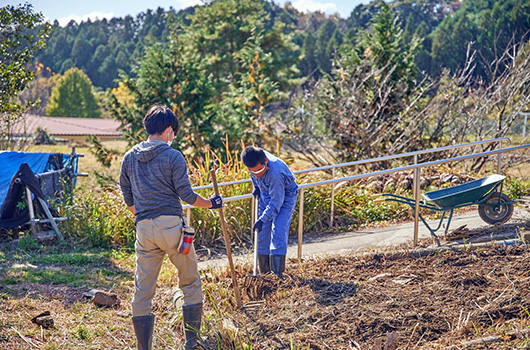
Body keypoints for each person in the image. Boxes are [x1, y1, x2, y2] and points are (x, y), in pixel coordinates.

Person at [119, 105, 223, 350]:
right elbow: (186, 194)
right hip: (173, 228)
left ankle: (144, 347)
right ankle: (191, 342)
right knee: (190, 282)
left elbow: (127, 195)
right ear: (167, 130)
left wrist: (143, 216)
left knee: (143, 290)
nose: (173, 137)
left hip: (144, 228)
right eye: (173, 132)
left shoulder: (129, 157)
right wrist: (211, 203)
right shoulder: (173, 156)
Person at [241, 146, 298, 277]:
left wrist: (262, 219)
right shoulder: (253, 162)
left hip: (286, 195)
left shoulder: (275, 174)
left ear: (266, 161)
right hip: (266, 192)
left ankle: (277, 274)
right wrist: (256, 186)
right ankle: (264, 274)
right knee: (261, 233)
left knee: (278, 230)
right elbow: (254, 173)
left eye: (260, 170)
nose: (257, 174)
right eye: (253, 171)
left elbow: (276, 202)